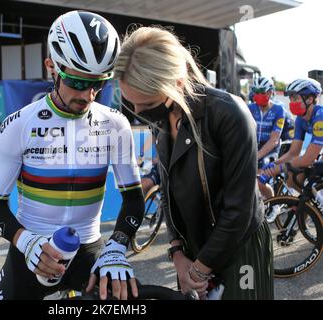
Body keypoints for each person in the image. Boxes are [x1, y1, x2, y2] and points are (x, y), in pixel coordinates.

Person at [0, 10, 145, 300]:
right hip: (31, 251)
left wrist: (117, 246)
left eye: (98, 84)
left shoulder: (115, 125)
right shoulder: (19, 125)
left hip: (89, 250)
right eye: (78, 82)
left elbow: (133, 199)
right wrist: (25, 240)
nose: (87, 95)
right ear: (51, 68)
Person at [114, 26, 273, 300]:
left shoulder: (229, 114)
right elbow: (168, 192)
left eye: (147, 103)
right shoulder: (162, 117)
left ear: (175, 82)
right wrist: (177, 253)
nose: (139, 113)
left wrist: (199, 270)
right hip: (192, 254)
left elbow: (239, 209)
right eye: (131, 105)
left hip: (238, 248)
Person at [260, 78, 323, 204]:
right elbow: (293, 153)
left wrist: (280, 168)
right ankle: (310, 209)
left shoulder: (320, 116)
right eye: (291, 99)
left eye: (295, 98)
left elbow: (308, 159)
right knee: (292, 178)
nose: (291, 102)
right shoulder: (300, 119)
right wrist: (275, 164)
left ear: (310, 99)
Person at [247, 77, 286, 202]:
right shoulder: (250, 108)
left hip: (270, 149)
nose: (258, 95)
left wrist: (256, 156)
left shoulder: (279, 110)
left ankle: (273, 204)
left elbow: (274, 140)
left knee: (259, 181)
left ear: (270, 92)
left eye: (262, 92)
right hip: (254, 147)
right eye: (256, 92)